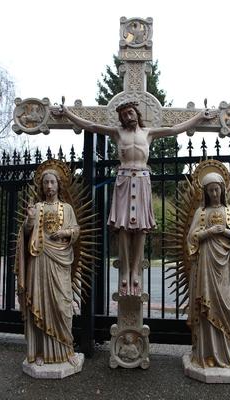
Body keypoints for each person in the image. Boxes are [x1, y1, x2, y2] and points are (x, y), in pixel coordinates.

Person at [58, 100, 217, 296]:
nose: (128, 116)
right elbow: (91, 126)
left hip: (142, 180)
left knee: (141, 227)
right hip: (124, 180)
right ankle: (125, 270)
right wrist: (68, 114)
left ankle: (135, 271)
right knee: (123, 227)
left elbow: (175, 129)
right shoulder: (117, 133)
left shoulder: (148, 133)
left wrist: (199, 117)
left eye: (130, 112)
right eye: (124, 114)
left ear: (137, 113)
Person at [15, 162, 80, 366]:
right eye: (46, 183)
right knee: (40, 304)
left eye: (52, 182)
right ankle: (42, 352)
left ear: (59, 185)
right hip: (39, 260)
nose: (49, 186)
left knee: (62, 306)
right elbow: (25, 235)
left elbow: (76, 230)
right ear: (42, 187)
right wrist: (30, 221)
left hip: (60, 261)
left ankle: (66, 350)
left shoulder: (67, 208)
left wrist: (66, 232)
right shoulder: (37, 208)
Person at [187, 172, 230, 368]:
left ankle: (226, 352)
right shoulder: (200, 213)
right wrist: (209, 232)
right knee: (207, 305)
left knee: (227, 306)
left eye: (216, 189)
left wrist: (227, 231)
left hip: (225, 265)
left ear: (222, 189)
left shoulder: (229, 211)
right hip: (205, 265)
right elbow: (191, 238)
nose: (213, 193)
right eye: (210, 190)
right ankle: (207, 354)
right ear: (205, 192)